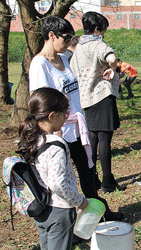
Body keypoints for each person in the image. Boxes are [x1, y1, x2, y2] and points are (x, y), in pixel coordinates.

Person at [29, 15, 122, 220]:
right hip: (58, 132)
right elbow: (41, 105)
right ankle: (67, 221)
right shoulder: (39, 65)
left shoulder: (64, 58)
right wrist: (54, 135)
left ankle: (98, 214)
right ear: (51, 35)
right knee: (64, 180)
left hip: (77, 128)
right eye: (66, 37)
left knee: (88, 173)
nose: (69, 41)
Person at [17, 87, 89, 250]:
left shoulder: (31, 139)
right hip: (60, 211)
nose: (66, 118)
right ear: (52, 116)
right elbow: (58, 183)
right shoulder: (56, 146)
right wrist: (79, 201)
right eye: (65, 114)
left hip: (41, 208)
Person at [70, 11, 125, 193]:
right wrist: (112, 68)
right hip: (102, 96)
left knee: (91, 138)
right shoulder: (97, 43)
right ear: (96, 29)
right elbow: (111, 57)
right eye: (103, 30)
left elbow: (73, 71)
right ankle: (108, 181)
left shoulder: (78, 47)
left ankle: (92, 179)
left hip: (86, 98)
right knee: (105, 140)